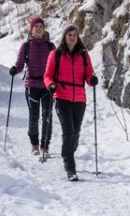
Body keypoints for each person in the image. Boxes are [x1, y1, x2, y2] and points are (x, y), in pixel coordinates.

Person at [43, 23, 98, 181]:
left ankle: (69, 150)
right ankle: (70, 167)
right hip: (61, 97)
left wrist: (92, 79)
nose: (72, 37)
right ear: (64, 37)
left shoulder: (83, 54)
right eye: (69, 35)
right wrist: (51, 85)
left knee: (75, 132)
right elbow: (47, 76)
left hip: (79, 99)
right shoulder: (56, 54)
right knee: (68, 131)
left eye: (74, 35)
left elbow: (89, 73)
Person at [9, 16, 54, 159]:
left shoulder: (50, 46)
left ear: (44, 29)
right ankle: (34, 144)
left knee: (47, 116)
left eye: (41, 26)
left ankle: (45, 146)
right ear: (32, 29)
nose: (39, 29)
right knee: (34, 116)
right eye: (36, 27)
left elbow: (56, 65)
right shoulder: (26, 46)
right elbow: (20, 64)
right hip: (32, 85)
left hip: (47, 86)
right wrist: (15, 69)